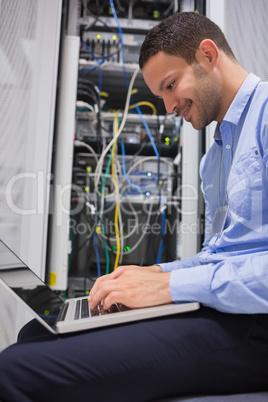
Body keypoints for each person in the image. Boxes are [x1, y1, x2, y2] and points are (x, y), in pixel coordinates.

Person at [1, 11, 268, 402]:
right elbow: (221, 254)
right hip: (228, 310)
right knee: (35, 333)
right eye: (161, 95)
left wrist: (169, 287)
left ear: (208, 55)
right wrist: (153, 272)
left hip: (254, 324)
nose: (168, 107)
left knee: (13, 370)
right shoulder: (216, 156)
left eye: (171, 85)